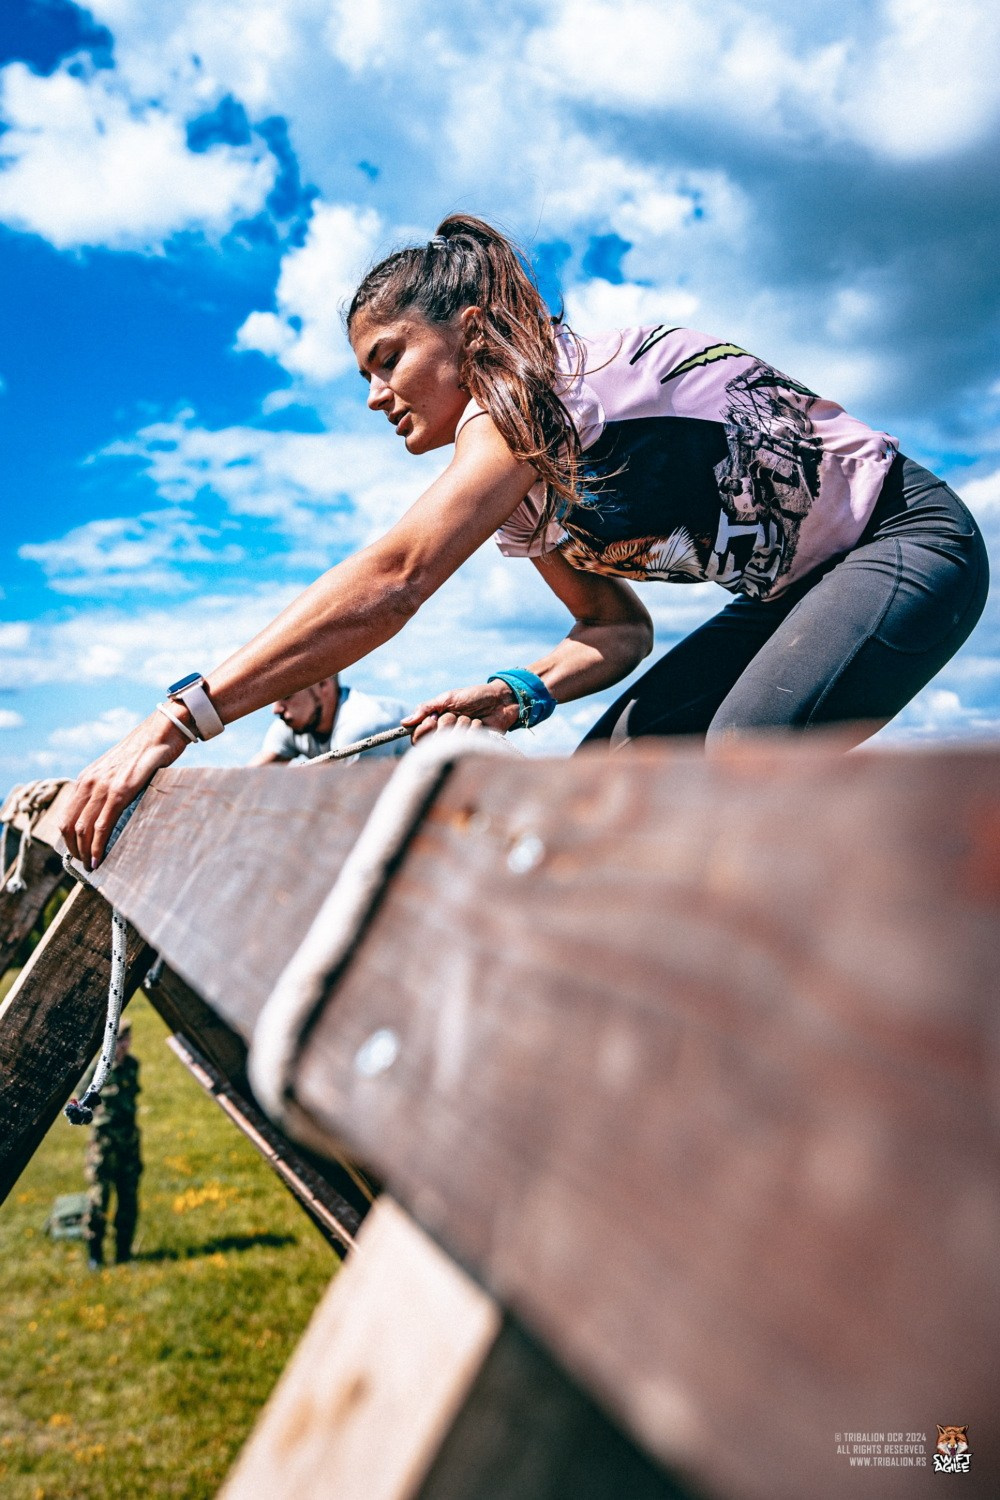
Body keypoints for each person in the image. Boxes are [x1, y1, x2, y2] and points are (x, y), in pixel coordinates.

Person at [59, 214, 989, 869]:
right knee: (611, 775)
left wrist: (174, 721)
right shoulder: (526, 497)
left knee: (746, 752)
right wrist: (521, 691)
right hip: (789, 593)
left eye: (389, 359)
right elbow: (616, 630)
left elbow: (396, 579)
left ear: (470, 334)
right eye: (363, 376)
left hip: (904, 536)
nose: (375, 395)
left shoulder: (536, 393)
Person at [81, 1019, 142, 1269]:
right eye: (118, 1040)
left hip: (128, 1141)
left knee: (128, 1198)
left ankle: (123, 1252)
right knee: (99, 1198)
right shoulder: (97, 1070)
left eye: (126, 1039)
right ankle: (95, 1254)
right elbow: (81, 1100)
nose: (123, 1045)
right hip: (104, 1144)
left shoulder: (132, 1066)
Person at [248, 672, 408, 765]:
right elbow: (253, 777)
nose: (275, 709)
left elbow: (353, 801)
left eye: (286, 696)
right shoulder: (293, 722)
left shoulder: (360, 727)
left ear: (323, 685)